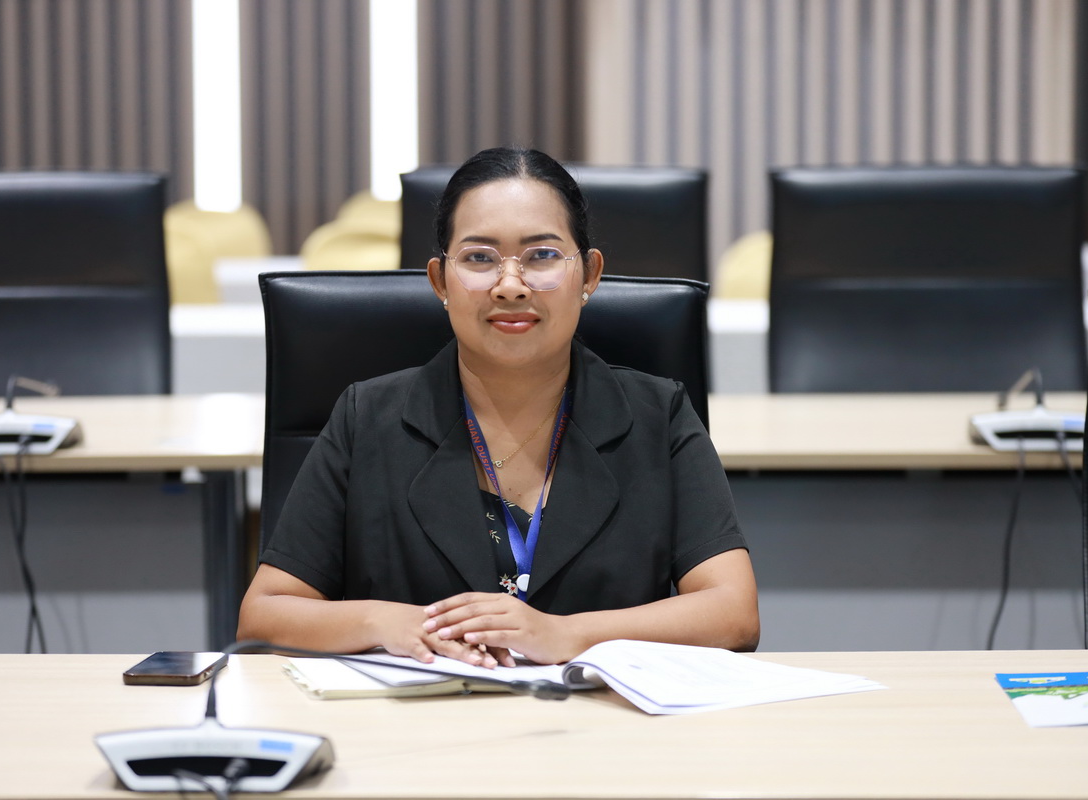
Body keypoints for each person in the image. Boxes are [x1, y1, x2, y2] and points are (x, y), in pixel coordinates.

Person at [238, 146, 759, 666]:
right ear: (440, 281)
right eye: (479, 259)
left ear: (589, 275)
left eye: (543, 256)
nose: (510, 286)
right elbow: (264, 615)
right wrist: (387, 622)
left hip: (597, 715)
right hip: (419, 713)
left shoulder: (658, 416)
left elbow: (733, 613)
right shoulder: (366, 418)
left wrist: (567, 634)